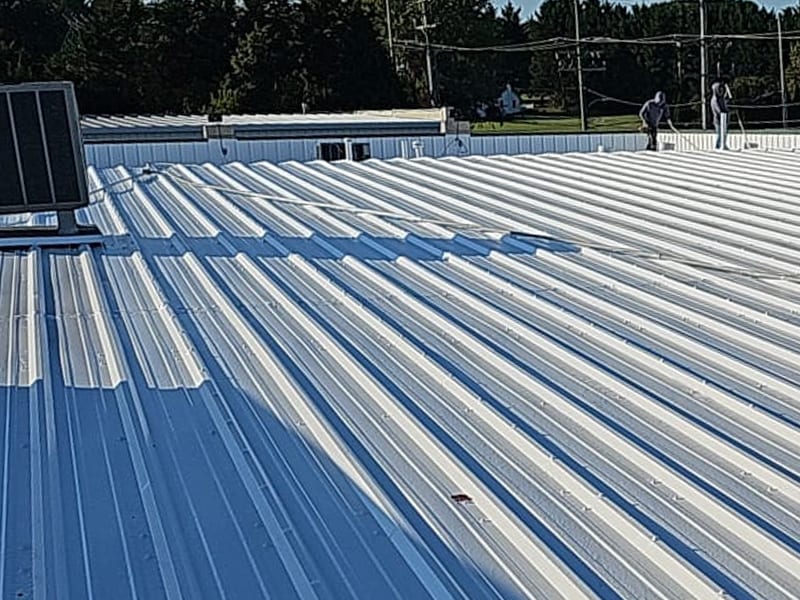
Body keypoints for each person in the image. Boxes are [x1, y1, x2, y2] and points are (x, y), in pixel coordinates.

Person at [710, 82, 729, 150]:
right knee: (719, 134)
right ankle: (717, 146)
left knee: (724, 133)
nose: (720, 90)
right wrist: (723, 112)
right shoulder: (714, 100)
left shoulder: (721, 99)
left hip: (724, 119)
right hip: (718, 120)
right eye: (719, 89)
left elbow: (725, 104)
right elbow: (718, 110)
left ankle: (723, 144)